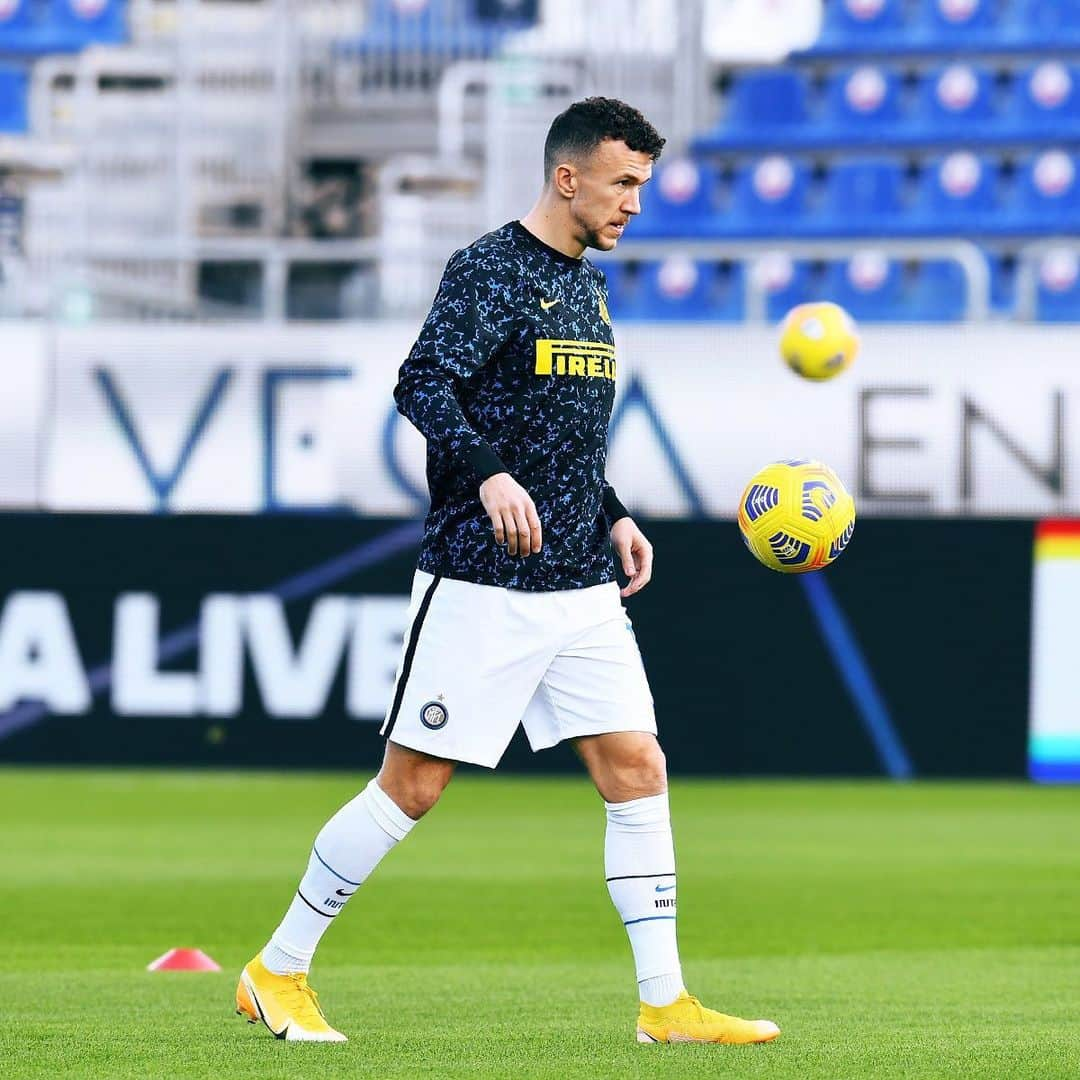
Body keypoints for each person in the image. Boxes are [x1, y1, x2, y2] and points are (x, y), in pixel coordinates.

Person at [236, 97, 780, 1048]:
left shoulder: (588, 289)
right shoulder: (488, 269)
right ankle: (277, 969)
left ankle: (665, 1004)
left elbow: (558, 432)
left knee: (637, 769)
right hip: (481, 579)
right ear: (568, 177)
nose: (635, 206)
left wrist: (612, 514)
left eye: (642, 186)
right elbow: (421, 381)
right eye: (624, 183)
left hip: (580, 588)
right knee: (411, 787)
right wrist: (486, 475)